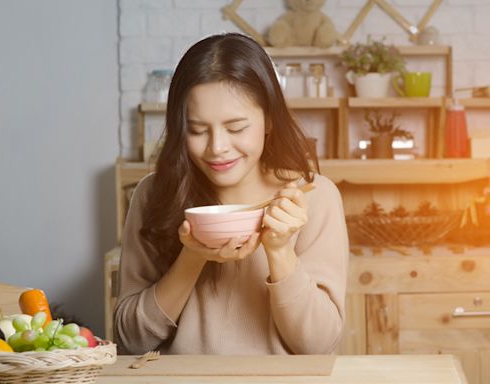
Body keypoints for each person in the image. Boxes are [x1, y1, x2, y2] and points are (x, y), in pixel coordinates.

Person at [114, 32, 349, 355]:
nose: (217, 148)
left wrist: (280, 251)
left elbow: (319, 345)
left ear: (268, 119)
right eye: (196, 130)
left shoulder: (314, 196)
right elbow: (128, 340)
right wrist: (193, 256)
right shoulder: (153, 194)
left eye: (236, 128)